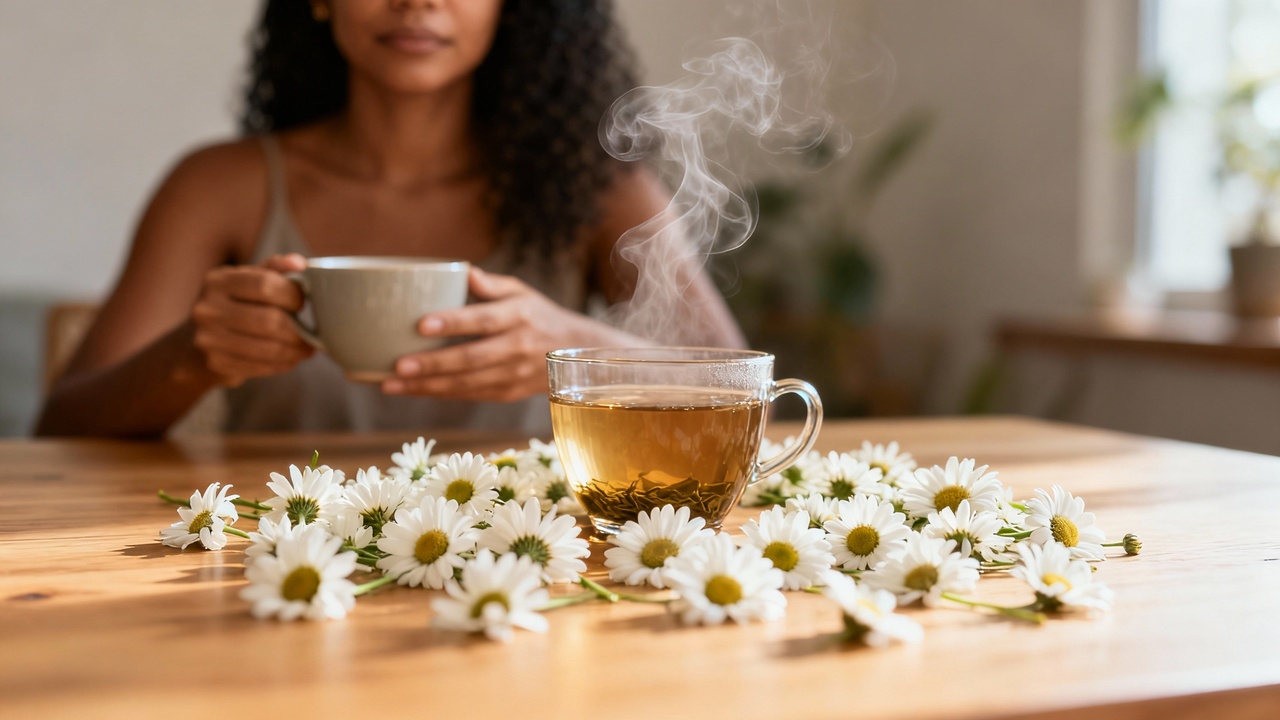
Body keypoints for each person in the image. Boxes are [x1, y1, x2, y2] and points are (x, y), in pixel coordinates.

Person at [36, 0, 744, 439]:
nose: (417, 2)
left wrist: (576, 357)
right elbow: (61, 428)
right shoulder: (220, 186)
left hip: (521, 568)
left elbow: (745, 399)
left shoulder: (599, 190)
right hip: (281, 558)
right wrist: (194, 354)